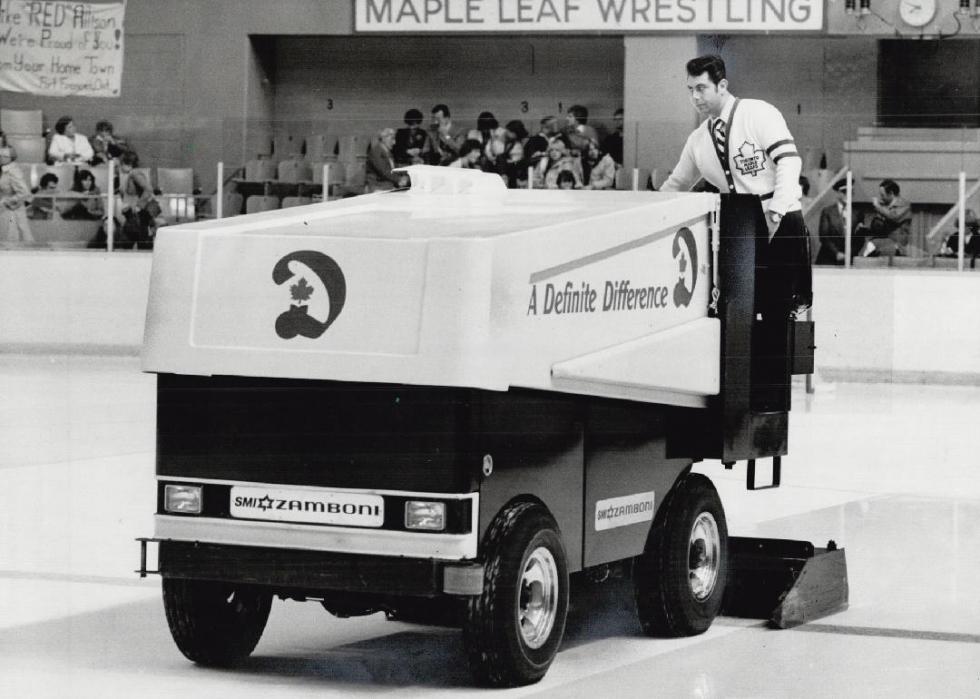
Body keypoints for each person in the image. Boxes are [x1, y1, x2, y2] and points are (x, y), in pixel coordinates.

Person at [659, 54, 811, 412]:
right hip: (740, 230)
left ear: (722, 85)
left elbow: (790, 162)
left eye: (702, 88)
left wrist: (775, 212)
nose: (695, 97)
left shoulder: (758, 113)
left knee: (777, 314)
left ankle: (772, 404)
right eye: (690, 90)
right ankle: (740, 400)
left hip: (781, 221)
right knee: (737, 314)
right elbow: (675, 184)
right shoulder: (699, 139)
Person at [0, 145, 33, 243]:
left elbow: (24, 192)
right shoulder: (3, 169)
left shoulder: (13, 171)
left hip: (12, 209)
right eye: (0, 155)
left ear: (11, 158)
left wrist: (6, 201)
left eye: (4, 156)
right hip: (6, 208)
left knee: (13, 235)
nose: (1, 158)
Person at [816, 179, 849, 265]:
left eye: (850, 192)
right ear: (838, 193)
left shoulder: (857, 213)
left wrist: (850, 254)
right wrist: (836, 253)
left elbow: (859, 239)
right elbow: (824, 236)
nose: (847, 195)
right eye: (844, 192)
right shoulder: (828, 212)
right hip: (828, 258)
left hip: (848, 260)